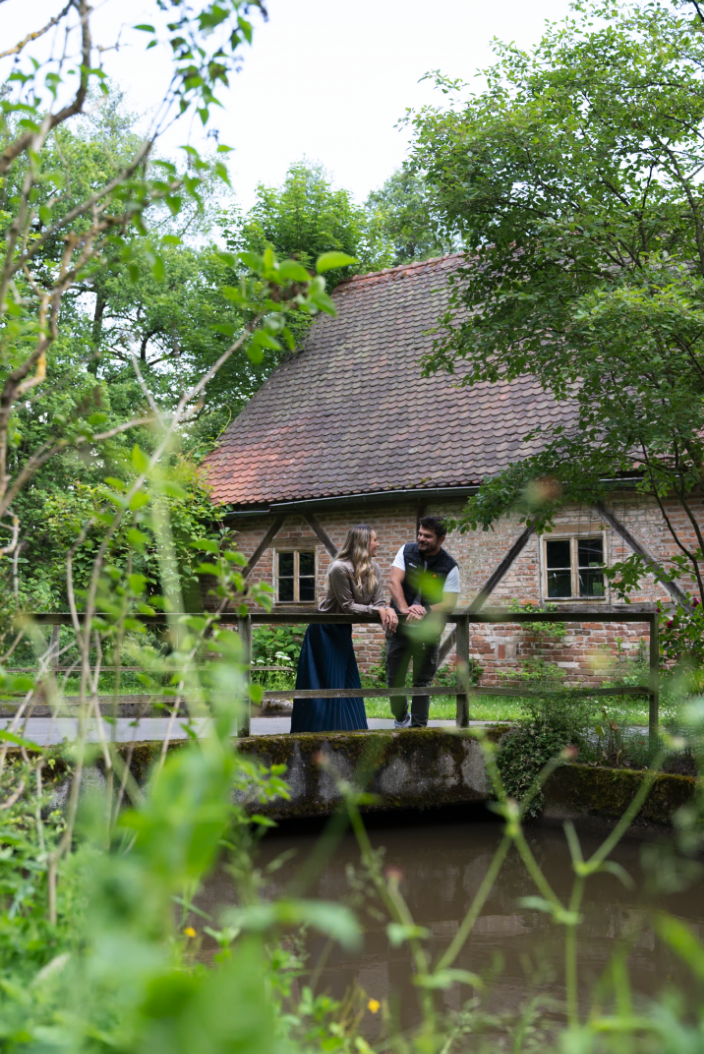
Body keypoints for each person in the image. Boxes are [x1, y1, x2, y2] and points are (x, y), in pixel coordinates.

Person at [290, 525, 398, 733]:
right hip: (324, 631)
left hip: (342, 630)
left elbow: (379, 602)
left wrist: (387, 609)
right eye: (374, 540)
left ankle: (350, 730)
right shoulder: (339, 568)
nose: (378, 544)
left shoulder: (373, 569)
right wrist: (379, 610)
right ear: (363, 544)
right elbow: (348, 606)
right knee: (325, 682)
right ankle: (317, 733)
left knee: (346, 681)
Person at [386, 516, 460, 728]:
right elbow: (393, 581)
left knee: (422, 682)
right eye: (420, 534)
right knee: (394, 680)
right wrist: (404, 609)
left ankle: (418, 730)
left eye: (427, 536)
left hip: (428, 631)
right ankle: (401, 719)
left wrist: (425, 610)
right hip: (399, 627)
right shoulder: (406, 551)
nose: (421, 538)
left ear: (441, 539)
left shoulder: (450, 566)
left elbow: (449, 603)